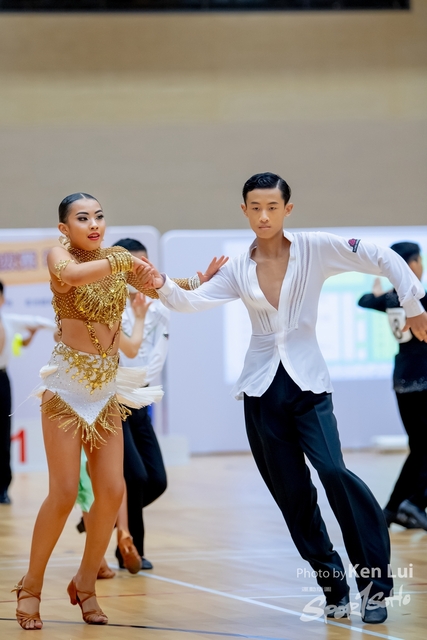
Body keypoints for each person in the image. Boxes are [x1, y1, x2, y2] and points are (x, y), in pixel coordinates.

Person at [139, 172, 427, 625]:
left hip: (309, 385)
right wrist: (159, 282)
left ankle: (374, 586)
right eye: (255, 207)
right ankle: (332, 585)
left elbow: (383, 256)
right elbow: (189, 302)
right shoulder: (237, 267)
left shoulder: (316, 247)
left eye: (272, 207)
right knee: (293, 496)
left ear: (287, 209)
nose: (264, 215)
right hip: (261, 391)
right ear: (244, 210)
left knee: (334, 472)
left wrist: (413, 302)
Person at [12, 192, 224, 631]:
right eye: (82, 218)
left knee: (112, 490)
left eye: (99, 216)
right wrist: (122, 261)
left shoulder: (115, 261)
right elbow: (73, 275)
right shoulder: (60, 257)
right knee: (64, 493)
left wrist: (197, 280)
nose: (94, 224)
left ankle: (85, 582)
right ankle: (30, 586)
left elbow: (158, 285)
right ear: (65, 227)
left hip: (106, 391)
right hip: (66, 390)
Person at [358, 242, 427, 530]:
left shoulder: (389, 298)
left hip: (402, 381)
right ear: (410, 265)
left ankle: (395, 509)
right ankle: (410, 504)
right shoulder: (419, 298)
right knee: (422, 448)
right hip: (422, 380)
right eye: (419, 260)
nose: (421, 266)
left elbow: (364, 300)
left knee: (420, 448)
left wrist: (378, 292)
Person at [113, 237, 170, 572]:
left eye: (145, 263)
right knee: (133, 476)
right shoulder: (107, 306)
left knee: (157, 480)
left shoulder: (159, 308)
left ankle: (102, 518)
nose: (141, 271)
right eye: (133, 265)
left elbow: (158, 355)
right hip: (113, 398)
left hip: (141, 397)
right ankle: (130, 550)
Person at [0, 281, 55, 505]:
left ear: (2, 299)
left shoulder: (10, 321)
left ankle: (2, 488)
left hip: (1, 379)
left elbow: (38, 325)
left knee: (3, 433)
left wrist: (61, 330)